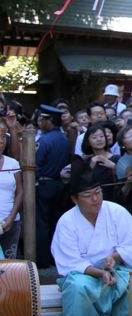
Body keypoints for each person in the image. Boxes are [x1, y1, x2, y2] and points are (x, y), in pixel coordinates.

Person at [51, 161, 132, 316]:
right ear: (75, 199)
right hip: (83, 274)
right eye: (88, 195)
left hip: (117, 270)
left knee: (130, 284)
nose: (95, 199)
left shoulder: (117, 212)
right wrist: (100, 273)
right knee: (77, 289)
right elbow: (70, 262)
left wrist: (114, 257)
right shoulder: (67, 222)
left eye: (98, 192)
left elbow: (130, 247)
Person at [35, 104, 71, 268]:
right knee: (56, 222)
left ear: (49, 120)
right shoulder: (64, 138)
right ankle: (54, 258)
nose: (40, 122)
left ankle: (42, 259)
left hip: (44, 184)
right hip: (60, 184)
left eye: (43, 119)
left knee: (42, 223)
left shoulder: (44, 140)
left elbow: (36, 164)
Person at [79, 121, 120, 203]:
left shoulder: (117, 159)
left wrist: (114, 167)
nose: (99, 139)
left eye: (102, 136)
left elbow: (125, 182)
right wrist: (91, 166)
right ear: (88, 142)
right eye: (94, 137)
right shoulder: (85, 161)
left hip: (114, 200)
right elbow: (82, 185)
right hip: (94, 201)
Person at [0, 118, 22, 258]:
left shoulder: (12, 163)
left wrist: (11, 217)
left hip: (11, 223)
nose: (1, 141)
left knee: (8, 268)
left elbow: (20, 191)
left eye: (3, 136)